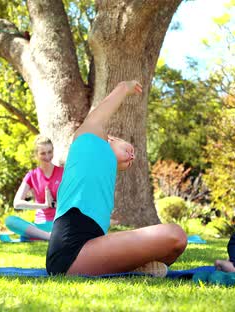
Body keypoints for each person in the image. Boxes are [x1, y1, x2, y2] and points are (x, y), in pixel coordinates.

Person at [46, 80, 187, 277]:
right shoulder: (87, 139)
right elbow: (97, 119)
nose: (132, 157)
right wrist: (124, 88)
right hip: (70, 254)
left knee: (177, 241)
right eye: (131, 150)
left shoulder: (104, 170)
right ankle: (138, 267)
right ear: (112, 138)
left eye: (131, 160)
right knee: (174, 234)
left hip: (90, 251)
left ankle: (138, 267)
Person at [4, 136, 64, 241]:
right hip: (39, 226)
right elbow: (17, 203)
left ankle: (38, 236)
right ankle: (48, 237)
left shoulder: (63, 173)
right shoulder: (32, 175)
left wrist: (53, 204)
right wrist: (44, 205)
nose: (47, 156)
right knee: (10, 221)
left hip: (59, 223)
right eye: (43, 153)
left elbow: (72, 200)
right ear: (36, 155)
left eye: (50, 152)